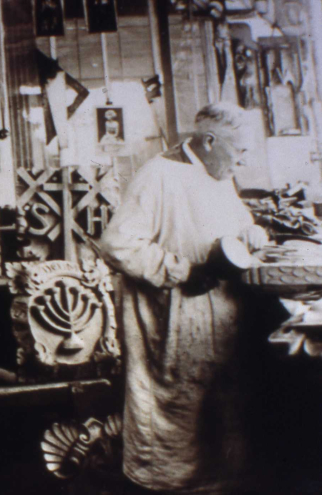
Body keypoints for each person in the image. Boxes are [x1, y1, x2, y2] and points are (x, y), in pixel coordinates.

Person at [98, 102, 269, 494]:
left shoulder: (218, 172)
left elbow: (236, 221)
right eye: (240, 151)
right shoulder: (158, 175)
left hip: (220, 315)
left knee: (221, 418)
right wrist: (181, 270)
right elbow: (117, 245)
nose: (244, 161)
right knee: (176, 421)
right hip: (173, 317)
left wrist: (252, 231)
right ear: (209, 141)